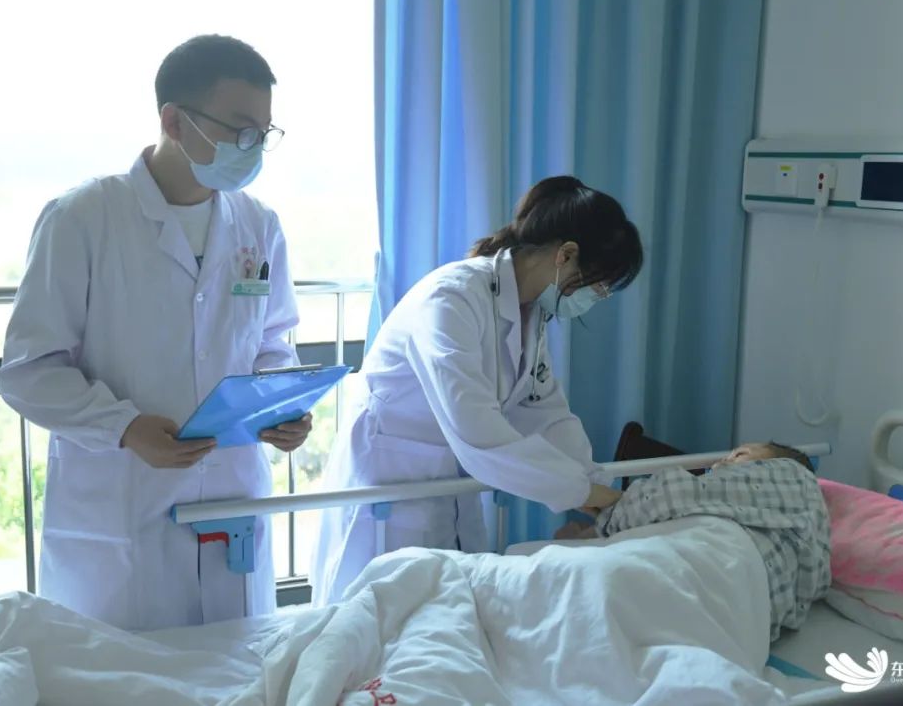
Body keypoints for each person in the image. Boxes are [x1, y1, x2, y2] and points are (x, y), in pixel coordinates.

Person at [0, 35, 312, 631]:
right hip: (122, 507)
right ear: (174, 121)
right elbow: (28, 371)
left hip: (232, 498)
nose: (253, 147)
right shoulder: (84, 218)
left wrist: (281, 402)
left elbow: (272, 343)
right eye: (240, 130)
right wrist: (124, 427)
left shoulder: (258, 224)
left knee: (241, 662)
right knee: (124, 669)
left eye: (263, 133)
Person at [310, 176, 644, 606]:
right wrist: (584, 492)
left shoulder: (529, 315)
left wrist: (595, 482)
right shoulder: (451, 300)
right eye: (598, 286)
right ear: (565, 255)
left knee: (440, 621)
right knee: (373, 620)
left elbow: (546, 414)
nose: (597, 298)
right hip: (388, 495)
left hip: (444, 490)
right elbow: (476, 428)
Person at [554, 442, 831, 639]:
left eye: (740, 454)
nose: (718, 464)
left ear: (776, 466)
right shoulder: (799, 540)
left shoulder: (794, 477)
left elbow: (674, 495)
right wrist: (593, 531)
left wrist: (606, 502)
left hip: (720, 569)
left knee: (573, 581)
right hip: (747, 619)